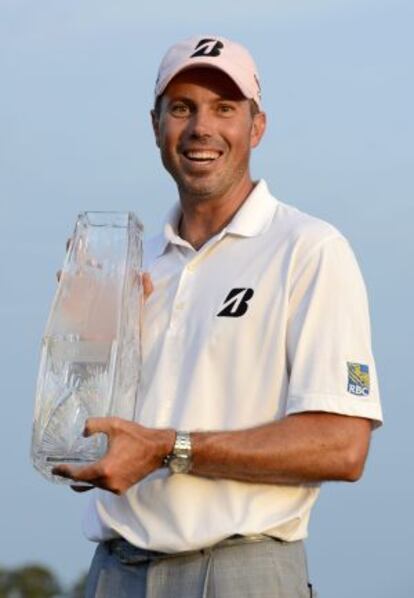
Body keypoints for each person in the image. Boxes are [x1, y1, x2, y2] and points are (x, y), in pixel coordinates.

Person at [53, 35, 383, 597]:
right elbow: (83, 435)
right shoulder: (133, 265)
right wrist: (84, 349)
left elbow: (341, 446)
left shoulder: (309, 249)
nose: (201, 127)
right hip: (113, 572)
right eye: (182, 108)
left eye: (224, 108)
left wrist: (168, 448)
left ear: (257, 127)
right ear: (155, 126)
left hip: (241, 571)